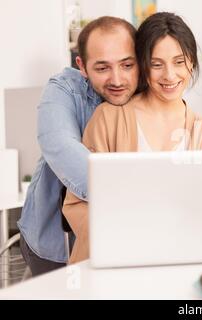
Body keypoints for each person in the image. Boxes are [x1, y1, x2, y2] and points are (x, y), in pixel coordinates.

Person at [62, 12, 202, 264]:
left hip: (177, 260)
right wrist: (124, 236)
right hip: (115, 261)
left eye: (179, 61)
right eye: (157, 64)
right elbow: (76, 204)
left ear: (191, 61)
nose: (170, 75)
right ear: (142, 64)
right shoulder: (109, 118)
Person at [18, 16, 139, 276]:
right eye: (102, 68)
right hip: (54, 243)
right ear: (82, 66)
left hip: (126, 243)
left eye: (127, 65)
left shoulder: (146, 95)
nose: (117, 79)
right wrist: (141, 198)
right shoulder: (63, 89)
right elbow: (60, 146)